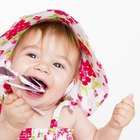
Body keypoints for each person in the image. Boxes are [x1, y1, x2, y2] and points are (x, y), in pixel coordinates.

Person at [0, 9, 135, 140]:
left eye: (58, 65)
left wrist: (114, 127)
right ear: (11, 60)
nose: (42, 67)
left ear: (71, 81)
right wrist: (10, 125)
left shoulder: (69, 114)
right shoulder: (4, 109)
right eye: (32, 55)